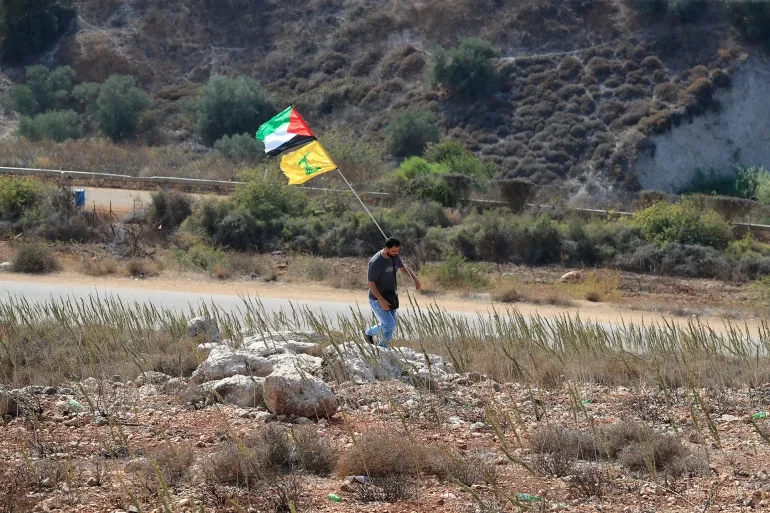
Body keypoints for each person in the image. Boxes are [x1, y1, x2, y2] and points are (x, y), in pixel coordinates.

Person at [363, 237, 421, 348]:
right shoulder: (376, 262)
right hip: (377, 299)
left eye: (398, 251)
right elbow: (370, 283)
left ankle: (382, 348)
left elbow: (402, 267)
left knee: (391, 326)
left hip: (391, 296)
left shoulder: (394, 256)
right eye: (393, 251)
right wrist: (381, 300)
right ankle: (368, 332)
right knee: (389, 324)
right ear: (385, 249)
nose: (396, 253)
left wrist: (415, 279)